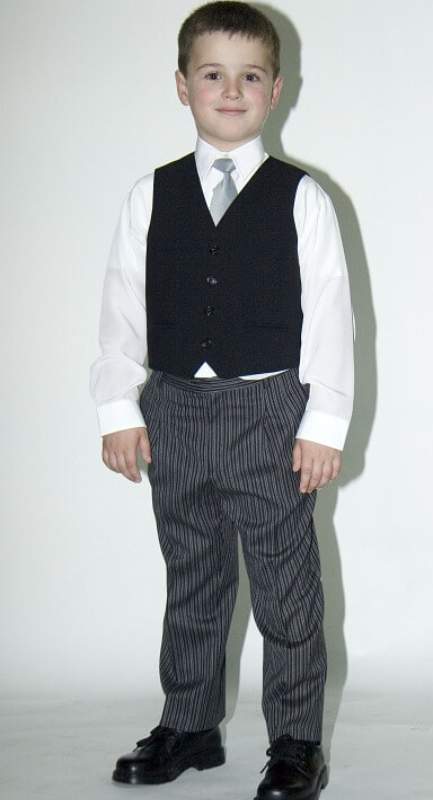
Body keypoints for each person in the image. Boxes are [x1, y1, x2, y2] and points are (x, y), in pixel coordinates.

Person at [89, 2, 355, 797]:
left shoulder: (302, 198)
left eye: (248, 77)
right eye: (212, 74)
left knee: (285, 588)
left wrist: (323, 422)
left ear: (275, 90)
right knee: (192, 577)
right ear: (182, 85)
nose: (230, 91)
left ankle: (297, 741)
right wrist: (118, 408)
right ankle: (191, 723)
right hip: (172, 409)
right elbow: (120, 306)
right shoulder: (150, 194)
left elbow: (331, 315)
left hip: (269, 412)